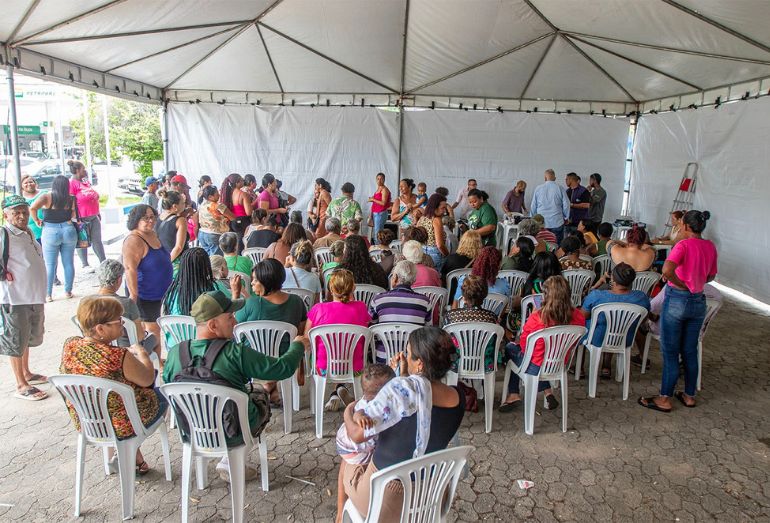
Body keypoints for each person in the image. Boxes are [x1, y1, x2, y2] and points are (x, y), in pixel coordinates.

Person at [164, 290, 307, 481]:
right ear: (213, 325)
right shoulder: (236, 353)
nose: (235, 322)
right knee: (259, 395)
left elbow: (168, 383)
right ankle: (231, 457)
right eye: (230, 317)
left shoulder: (174, 353)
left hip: (193, 430)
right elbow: (282, 369)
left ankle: (213, 465)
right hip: (233, 431)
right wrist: (297, 346)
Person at [340, 327, 464, 522]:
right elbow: (418, 403)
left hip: (387, 499)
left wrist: (349, 410)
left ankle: (340, 515)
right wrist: (404, 373)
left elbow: (356, 433)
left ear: (420, 363)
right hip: (432, 496)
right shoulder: (459, 397)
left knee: (348, 458)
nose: (405, 356)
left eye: (408, 353)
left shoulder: (399, 391)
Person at [61, 296, 166, 474]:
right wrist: (142, 354)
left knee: (119, 396)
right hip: (119, 424)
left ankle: (130, 456)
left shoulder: (70, 345)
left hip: (87, 420)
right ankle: (128, 450)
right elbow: (147, 378)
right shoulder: (117, 356)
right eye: (118, 321)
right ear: (100, 328)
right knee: (162, 395)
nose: (122, 325)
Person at [639, 210, 717, 413]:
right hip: (698, 301)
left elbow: (666, 270)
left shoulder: (683, 245)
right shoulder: (709, 246)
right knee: (690, 350)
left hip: (677, 300)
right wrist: (695, 283)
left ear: (686, 226)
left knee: (671, 351)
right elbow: (711, 276)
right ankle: (689, 395)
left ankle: (664, 398)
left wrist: (682, 284)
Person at [499, 275, 585, 412]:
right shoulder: (578, 316)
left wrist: (534, 312)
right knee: (538, 357)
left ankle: (514, 394)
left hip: (535, 366)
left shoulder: (538, 317)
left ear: (546, 295)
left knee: (510, 348)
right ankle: (548, 393)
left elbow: (524, 345)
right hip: (559, 363)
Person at [236, 258, 308, 405]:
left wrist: (236, 294)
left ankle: (266, 388)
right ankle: (272, 389)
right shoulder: (296, 302)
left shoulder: (251, 304)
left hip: (253, 359)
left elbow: (234, 328)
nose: (251, 283)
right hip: (286, 357)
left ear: (265, 282)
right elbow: (299, 334)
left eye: (255, 280)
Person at [1, 195, 48, 400]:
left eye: (23, 211)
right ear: (6, 214)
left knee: (28, 337)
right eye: (15, 212)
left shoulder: (27, 232)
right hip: (14, 297)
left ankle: (27, 372)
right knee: (15, 340)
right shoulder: (4, 234)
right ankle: (21, 384)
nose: (21, 215)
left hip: (33, 295)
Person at [335, 364, 395, 519]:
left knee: (345, 465)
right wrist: (357, 416)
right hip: (352, 450)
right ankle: (342, 512)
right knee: (366, 452)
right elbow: (360, 419)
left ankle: (340, 512)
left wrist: (349, 410)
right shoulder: (373, 410)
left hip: (346, 442)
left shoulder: (370, 400)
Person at [306, 269, 372, 411]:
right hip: (355, 368)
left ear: (330, 288)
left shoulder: (318, 309)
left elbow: (307, 339)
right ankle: (344, 394)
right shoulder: (361, 308)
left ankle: (333, 395)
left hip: (323, 368)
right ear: (353, 287)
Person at [581, 263, 650, 378]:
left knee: (585, 326)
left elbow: (583, 316)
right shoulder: (641, 298)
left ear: (612, 279)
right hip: (625, 339)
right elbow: (643, 320)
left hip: (597, 339)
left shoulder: (597, 296)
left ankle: (579, 368)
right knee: (616, 326)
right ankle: (606, 366)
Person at [122, 204, 173, 346]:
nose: (150, 221)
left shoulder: (152, 234)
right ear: (136, 220)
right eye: (145, 218)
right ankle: (156, 362)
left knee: (156, 327)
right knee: (152, 330)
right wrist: (133, 295)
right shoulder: (133, 240)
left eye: (152, 217)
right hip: (145, 294)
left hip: (160, 293)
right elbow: (129, 269)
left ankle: (156, 358)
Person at [369, 261, 432, 360]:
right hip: (412, 360)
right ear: (413, 280)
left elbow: (372, 326)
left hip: (383, 358)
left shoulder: (378, 300)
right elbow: (427, 329)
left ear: (395, 278)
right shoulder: (425, 302)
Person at [30, 175, 77, 301]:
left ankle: (48, 294)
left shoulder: (46, 196)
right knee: (68, 263)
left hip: (50, 231)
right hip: (68, 230)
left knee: (50, 264)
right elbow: (73, 214)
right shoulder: (71, 198)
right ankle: (68, 292)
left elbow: (32, 208)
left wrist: (36, 220)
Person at [96, 259, 155, 353]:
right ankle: (158, 364)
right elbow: (140, 336)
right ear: (119, 279)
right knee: (153, 338)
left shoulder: (85, 302)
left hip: (98, 348)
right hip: (127, 350)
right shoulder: (126, 303)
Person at [445, 275, 501, 372]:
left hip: (457, 363)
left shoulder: (451, 316)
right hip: (484, 364)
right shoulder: (492, 317)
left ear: (463, 297)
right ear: (484, 295)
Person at [68, 159, 105, 272]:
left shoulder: (85, 182)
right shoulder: (71, 183)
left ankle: (103, 261)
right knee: (82, 241)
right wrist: (73, 218)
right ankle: (85, 264)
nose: (85, 171)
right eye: (83, 169)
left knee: (97, 240)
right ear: (78, 170)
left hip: (93, 216)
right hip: (81, 218)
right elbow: (70, 201)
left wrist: (97, 212)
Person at [161, 247, 217, 317]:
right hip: (204, 327)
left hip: (175, 327)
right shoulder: (214, 288)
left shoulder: (172, 292)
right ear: (206, 267)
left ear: (182, 267)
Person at [530, 169, 570, 245]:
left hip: (541, 223)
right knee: (557, 245)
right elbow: (566, 204)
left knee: (541, 245)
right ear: (555, 178)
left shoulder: (538, 188)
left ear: (545, 178)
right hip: (557, 222)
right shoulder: (560, 188)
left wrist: (532, 219)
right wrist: (566, 217)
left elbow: (533, 205)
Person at [416, 193, 449, 272]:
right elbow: (440, 245)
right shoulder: (436, 220)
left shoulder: (422, 218)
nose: (444, 211)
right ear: (435, 207)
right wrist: (447, 255)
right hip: (435, 254)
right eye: (442, 208)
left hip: (422, 252)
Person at [197, 185, 234, 256]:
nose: (219, 195)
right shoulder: (218, 206)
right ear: (210, 197)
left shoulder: (202, 204)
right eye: (217, 194)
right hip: (214, 235)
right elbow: (233, 217)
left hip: (202, 234)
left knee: (208, 259)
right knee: (216, 260)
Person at [156, 190, 189, 264]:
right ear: (175, 206)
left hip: (162, 258)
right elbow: (179, 247)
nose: (184, 205)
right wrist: (167, 264)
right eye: (182, 203)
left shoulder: (158, 218)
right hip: (177, 261)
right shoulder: (181, 221)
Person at [220, 173, 253, 245]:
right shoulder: (244, 194)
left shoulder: (228, 194)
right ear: (237, 183)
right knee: (243, 245)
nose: (243, 181)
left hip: (232, 222)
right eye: (241, 180)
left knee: (235, 244)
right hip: (243, 222)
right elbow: (249, 212)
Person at [367, 173, 391, 241]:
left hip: (380, 213)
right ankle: (378, 248)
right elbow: (378, 201)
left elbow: (383, 203)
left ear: (384, 180)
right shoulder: (378, 189)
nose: (379, 180)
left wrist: (373, 199)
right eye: (378, 179)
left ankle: (378, 249)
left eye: (381, 179)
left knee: (378, 234)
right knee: (377, 233)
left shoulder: (384, 190)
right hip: (376, 213)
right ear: (376, 180)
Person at [21, 175, 44, 243]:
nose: (29, 184)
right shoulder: (20, 198)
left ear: (35, 183)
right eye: (25, 183)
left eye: (31, 182)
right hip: (29, 235)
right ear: (21, 186)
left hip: (46, 232)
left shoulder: (44, 194)